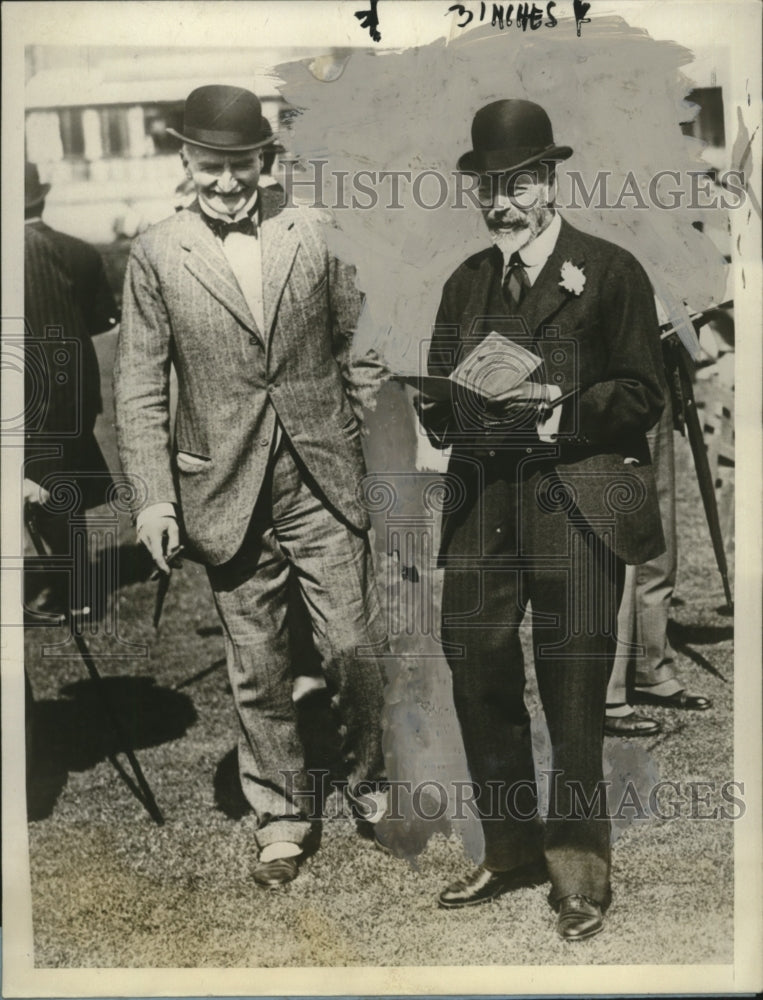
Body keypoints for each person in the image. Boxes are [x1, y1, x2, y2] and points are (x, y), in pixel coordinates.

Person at [114, 85, 388, 888]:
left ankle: (370, 782)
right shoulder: (158, 253)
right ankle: (279, 812)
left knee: (351, 646)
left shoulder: (317, 230)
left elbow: (360, 350)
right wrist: (156, 498)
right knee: (257, 661)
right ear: (186, 161)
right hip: (221, 490)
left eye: (240, 165)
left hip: (323, 477)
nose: (226, 183)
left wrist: (380, 464)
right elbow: (138, 385)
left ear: (265, 161)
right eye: (211, 166)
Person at [417, 99, 665, 939]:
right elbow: (443, 396)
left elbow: (642, 392)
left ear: (551, 180)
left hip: (576, 503)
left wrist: (558, 411)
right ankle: (510, 847)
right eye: (488, 187)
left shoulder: (610, 269)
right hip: (483, 508)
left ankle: (578, 874)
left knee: (571, 691)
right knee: (478, 674)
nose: (502, 203)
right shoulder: (466, 282)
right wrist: (443, 410)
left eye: (517, 184)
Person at [24, 162, 119, 618]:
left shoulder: (27, 251)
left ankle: (75, 593)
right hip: (75, 387)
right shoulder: (78, 251)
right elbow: (103, 320)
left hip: (40, 396)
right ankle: (74, 588)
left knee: (47, 493)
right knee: (60, 494)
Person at [604, 379, 711, 737]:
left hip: (655, 366)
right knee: (621, 520)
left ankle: (652, 666)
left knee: (659, 526)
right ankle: (609, 691)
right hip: (606, 373)